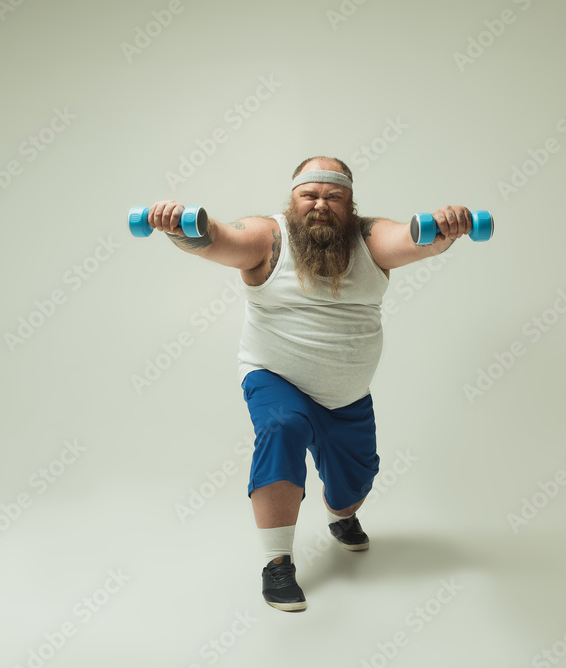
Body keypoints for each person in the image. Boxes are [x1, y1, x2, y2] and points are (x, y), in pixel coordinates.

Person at [146, 156, 473, 611]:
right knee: (283, 427)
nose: (320, 204)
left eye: (333, 196)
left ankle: (342, 518)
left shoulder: (368, 237)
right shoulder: (269, 236)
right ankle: (277, 564)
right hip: (274, 374)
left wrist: (443, 230)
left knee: (353, 487)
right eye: (309, 195)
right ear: (293, 199)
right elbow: (221, 238)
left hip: (347, 396)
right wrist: (182, 230)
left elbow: (412, 239)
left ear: (349, 202)